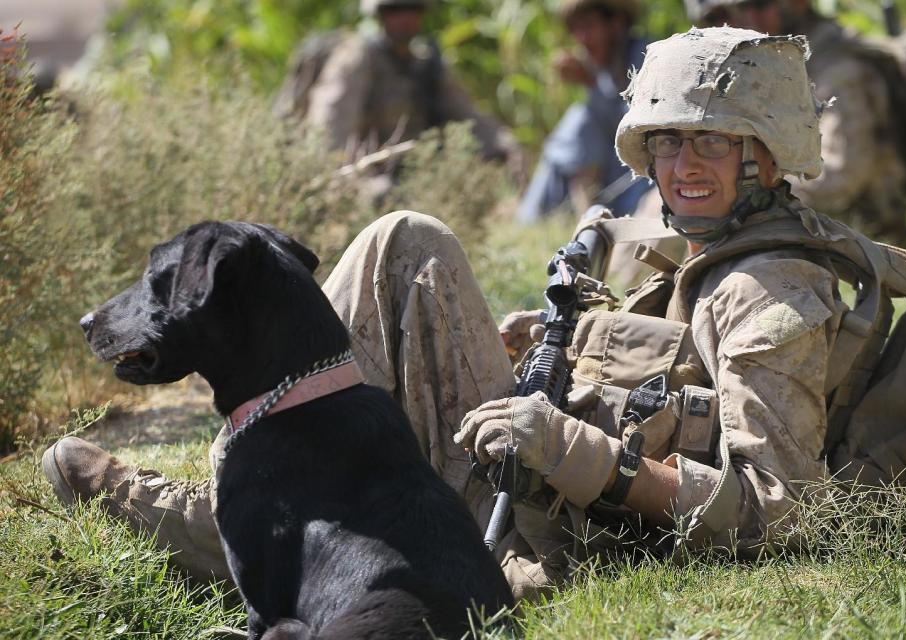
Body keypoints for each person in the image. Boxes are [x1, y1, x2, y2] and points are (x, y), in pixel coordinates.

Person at [44, 26, 855, 600]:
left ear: (767, 155)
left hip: (554, 521)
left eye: (709, 144)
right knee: (409, 247)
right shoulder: (707, 244)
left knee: (409, 237)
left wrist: (588, 455)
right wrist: (555, 343)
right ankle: (253, 477)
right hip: (529, 463)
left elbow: (779, 511)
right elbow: (671, 371)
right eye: (668, 142)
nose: (680, 166)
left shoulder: (770, 291)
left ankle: (214, 516)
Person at [684, 0, 906, 242]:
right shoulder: (762, 66)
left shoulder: (838, 70)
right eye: (716, 17)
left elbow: (838, 178)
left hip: (849, 233)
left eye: (757, 4)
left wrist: (735, 188)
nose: (737, 22)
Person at [302, 0, 518, 166]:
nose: (405, 19)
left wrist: (504, 144)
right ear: (382, 15)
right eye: (396, 11)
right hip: (365, 174)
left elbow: (467, 115)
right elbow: (329, 126)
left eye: (412, 9)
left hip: (415, 173)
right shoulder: (357, 60)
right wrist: (350, 178)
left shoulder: (427, 64)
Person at [516, 0, 654, 222]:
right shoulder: (604, 66)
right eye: (576, 29)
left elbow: (638, 128)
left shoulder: (647, 59)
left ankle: (574, 219)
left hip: (641, 177)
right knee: (578, 121)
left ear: (617, 23)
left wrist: (590, 84)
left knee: (580, 119)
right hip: (611, 174)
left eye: (588, 26)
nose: (582, 38)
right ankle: (539, 216)